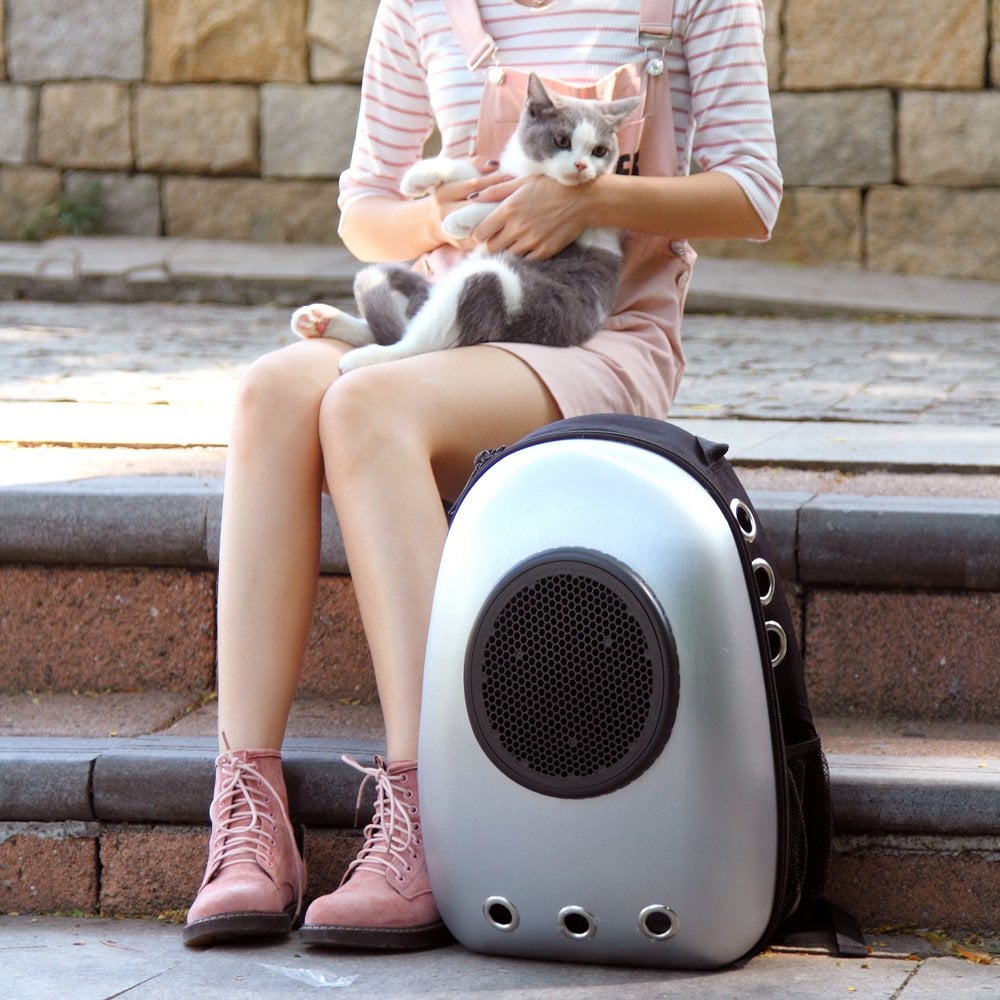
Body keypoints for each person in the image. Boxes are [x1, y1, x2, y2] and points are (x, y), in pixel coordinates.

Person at [182, 0, 781, 951]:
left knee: (366, 406)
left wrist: (591, 201)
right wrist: (441, 215)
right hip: (447, 311)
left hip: (596, 334)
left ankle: (431, 814)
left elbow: (753, 194)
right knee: (270, 394)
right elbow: (363, 213)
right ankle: (248, 808)